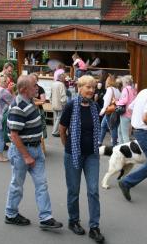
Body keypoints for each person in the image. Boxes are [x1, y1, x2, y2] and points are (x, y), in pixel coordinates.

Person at [5, 75, 63, 229]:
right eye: (34, 86)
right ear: (24, 89)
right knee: (17, 184)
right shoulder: (18, 106)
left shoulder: (29, 101)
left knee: (41, 184)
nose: (37, 88)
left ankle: (46, 218)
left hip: (35, 149)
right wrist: (26, 156)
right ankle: (10, 214)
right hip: (23, 152)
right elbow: (14, 135)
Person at [59, 75, 105, 243]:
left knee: (93, 190)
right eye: (88, 87)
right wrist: (68, 148)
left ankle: (94, 227)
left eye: (93, 88)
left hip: (92, 154)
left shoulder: (95, 106)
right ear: (80, 88)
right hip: (73, 154)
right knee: (74, 190)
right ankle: (73, 221)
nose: (92, 91)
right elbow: (62, 129)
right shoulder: (71, 105)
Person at [98, 75, 121, 146]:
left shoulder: (109, 89)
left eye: (107, 80)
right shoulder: (117, 89)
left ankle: (114, 145)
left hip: (109, 111)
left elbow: (107, 102)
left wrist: (102, 112)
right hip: (115, 110)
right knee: (103, 125)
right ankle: (99, 141)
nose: (105, 82)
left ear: (109, 81)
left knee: (112, 127)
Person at [116, 75, 137, 143]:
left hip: (125, 113)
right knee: (120, 130)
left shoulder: (126, 89)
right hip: (132, 113)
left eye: (123, 82)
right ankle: (120, 146)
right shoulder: (134, 89)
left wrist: (117, 102)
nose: (122, 84)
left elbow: (124, 100)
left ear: (126, 82)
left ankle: (126, 149)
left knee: (125, 134)